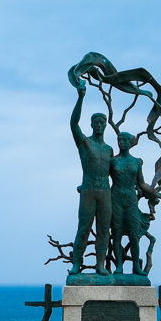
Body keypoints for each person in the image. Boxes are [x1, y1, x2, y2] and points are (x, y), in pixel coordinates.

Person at [68, 83, 113, 275]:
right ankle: (76, 263)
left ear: (105, 125)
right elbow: (73, 124)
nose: (99, 125)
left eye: (102, 122)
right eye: (96, 122)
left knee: (104, 230)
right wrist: (81, 97)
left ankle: (100, 265)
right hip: (88, 190)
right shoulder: (85, 143)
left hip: (105, 192)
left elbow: (117, 174)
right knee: (83, 229)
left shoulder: (109, 149)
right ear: (92, 125)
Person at [109, 132, 161, 275]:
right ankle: (119, 266)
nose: (121, 142)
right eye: (119, 139)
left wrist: (158, 194)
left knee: (134, 236)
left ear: (130, 142)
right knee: (116, 234)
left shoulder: (136, 162)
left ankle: (136, 266)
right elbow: (102, 179)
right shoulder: (113, 161)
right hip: (115, 199)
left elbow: (141, 184)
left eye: (124, 140)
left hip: (130, 200)